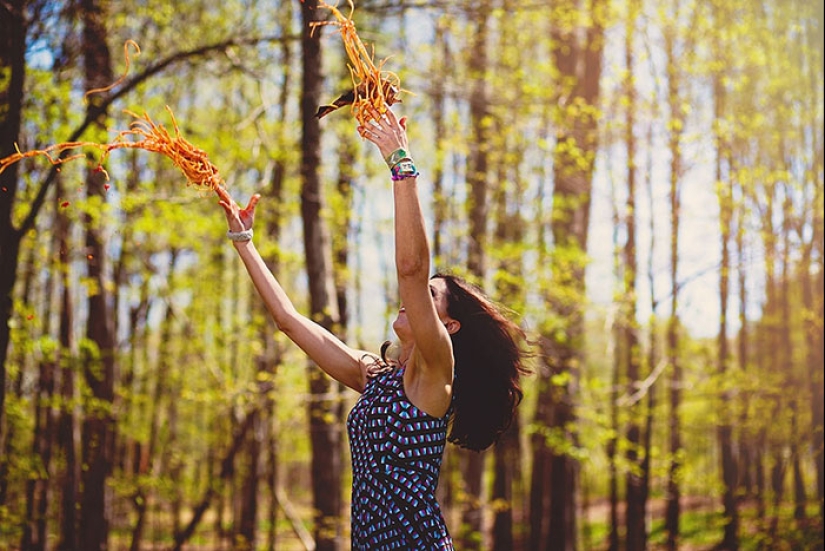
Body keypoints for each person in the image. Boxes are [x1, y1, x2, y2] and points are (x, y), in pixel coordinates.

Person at [216, 107, 528, 550]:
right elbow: (287, 321)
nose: (413, 298)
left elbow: (412, 268)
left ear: (450, 325)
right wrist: (244, 242)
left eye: (430, 296)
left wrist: (401, 163)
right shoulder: (377, 379)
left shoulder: (436, 374)